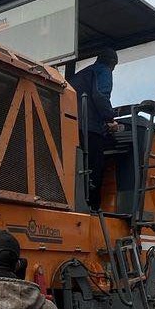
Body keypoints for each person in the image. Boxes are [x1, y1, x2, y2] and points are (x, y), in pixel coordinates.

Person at [68, 51, 119, 208]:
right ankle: (93, 208)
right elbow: (101, 95)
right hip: (90, 128)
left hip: (70, 126)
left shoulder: (80, 75)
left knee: (76, 167)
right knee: (94, 169)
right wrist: (110, 119)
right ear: (112, 63)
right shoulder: (103, 71)